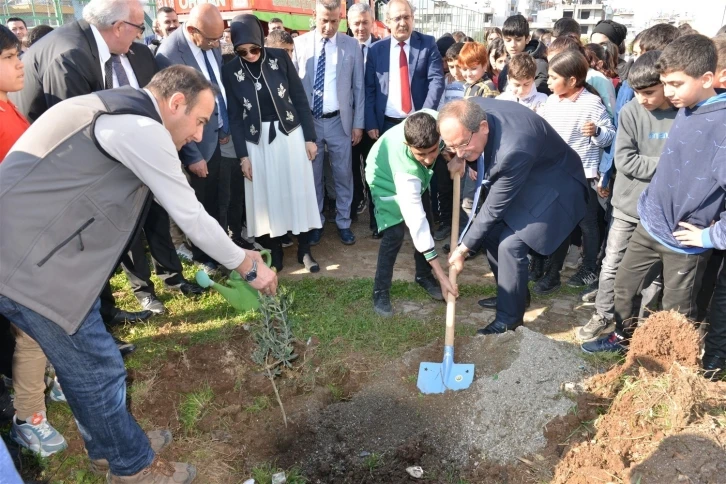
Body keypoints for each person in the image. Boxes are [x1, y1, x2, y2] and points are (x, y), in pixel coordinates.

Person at [0, 65, 277, 483]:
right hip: (31, 265)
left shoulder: (114, 109)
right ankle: (132, 469)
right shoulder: (139, 128)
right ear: (176, 103)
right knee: (98, 367)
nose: (200, 135)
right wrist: (246, 263)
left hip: (41, 258)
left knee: (81, 367)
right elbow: (190, 215)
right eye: (200, 121)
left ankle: (111, 449)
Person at [10, 0, 160, 338]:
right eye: (138, 29)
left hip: (53, 166)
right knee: (76, 246)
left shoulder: (85, 44)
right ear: (119, 27)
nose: (139, 38)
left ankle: (103, 313)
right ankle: (92, 327)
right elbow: (78, 133)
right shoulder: (72, 54)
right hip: (47, 173)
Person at [583, 34, 726, 355]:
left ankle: (671, 366)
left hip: (685, 241)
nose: (669, 93)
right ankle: (624, 340)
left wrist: (710, 236)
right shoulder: (687, 106)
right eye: (665, 84)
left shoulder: (721, 124)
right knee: (623, 286)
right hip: (649, 224)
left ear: (707, 78)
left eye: (676, 84)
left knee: (677, 312)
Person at [442, 98, 588, 334]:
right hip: (527, 176)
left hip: (554, 185)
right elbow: (465, 145)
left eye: (463, 145)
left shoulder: (514, 147)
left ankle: (509, 319)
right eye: (452, 146)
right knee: (489, 234)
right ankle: (513, 295)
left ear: (483, 127)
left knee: (510, 245)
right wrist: (461, 157)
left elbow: (492, 209)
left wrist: (462, 249)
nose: (458, 152)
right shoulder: (467, 111)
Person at [0, 22, 69, 459]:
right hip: (14, 245)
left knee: (49, 322)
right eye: (9, 58)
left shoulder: (8, 108)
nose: (20, 62)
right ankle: (29, 417)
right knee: (30, 331)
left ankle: (58, 380)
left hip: (31, 235)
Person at [575, 50, 674, 344]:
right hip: (628, 206)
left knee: (655, 275)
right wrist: (670, 164)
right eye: (638, 92)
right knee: (612, 263)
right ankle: (604, 314)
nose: (643, 98)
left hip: (664, 211)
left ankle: (640, 325)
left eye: (650, 92)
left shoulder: (684, 113)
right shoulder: (631, 111)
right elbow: (627, 161)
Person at [223, 15, 321, 273]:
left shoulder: (279, 58)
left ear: (261, 40)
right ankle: (276, 251)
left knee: (297, 190)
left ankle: (304, 250)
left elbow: (300, 99)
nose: (250, 54)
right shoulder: (231, 70)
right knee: (268, 195)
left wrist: (310, 138)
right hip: (256, 141)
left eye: (254, 48)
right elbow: (234, 116)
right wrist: (243, 156)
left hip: (290, 134)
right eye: (242, 51)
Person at [156, 4, 232, 273]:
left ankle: (223, 251)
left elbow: (217, 87)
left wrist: (223, 127)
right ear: (191, 30)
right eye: (212, 39)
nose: (217, 44)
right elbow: (175, 116)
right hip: (195, 145)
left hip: (217, 137)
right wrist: (193, 156)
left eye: (219, 38)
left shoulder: (210, 43)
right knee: (200, 206)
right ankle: (205, 257)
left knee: (219, 200)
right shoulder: (168, 55)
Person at [533, 50, 615, 294]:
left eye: (553, 77)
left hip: (582, 176)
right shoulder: (550, 101)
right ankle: (552, 272)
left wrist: (597, 131)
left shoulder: (591, 102)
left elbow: (611, 134)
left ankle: (589, 267)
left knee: (587, 225)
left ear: (572, 81)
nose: (547, 82)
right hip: (555, 174)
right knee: (558, 223)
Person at [366, 111, 457, 316]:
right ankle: (380, 291)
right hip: (384, 177)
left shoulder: (437, 122)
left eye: (432, 151)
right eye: (420, 154)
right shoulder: (407, 174)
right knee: (395, 234)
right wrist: (443, 277)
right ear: (409, 146)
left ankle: (423, 276)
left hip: (414, 176)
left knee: (429, 219)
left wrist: (454, 156)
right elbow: (417, 225)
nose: (427, 159)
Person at [293, 0, 364, 247]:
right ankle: (316, 223)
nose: (329, 26)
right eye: (324, 20)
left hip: (339, 123)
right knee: (313, 176)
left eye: (334, 21)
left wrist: (358, 124)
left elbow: (359, 87)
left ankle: (344, 222)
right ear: (315, 16)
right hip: (310, 122)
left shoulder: (352, 46)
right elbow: (294, 90)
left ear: (341, 18)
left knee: (343, 174)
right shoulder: (299, 45)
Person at [365, 0, 444, 138]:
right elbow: (369, 89)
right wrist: (371, 122)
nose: (402, 23)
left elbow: (436, 80)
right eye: (397, 18)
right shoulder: (375, 50)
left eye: (406, 17)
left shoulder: (427, 44)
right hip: (385, 123)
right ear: (387, 21)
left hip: (418, 122)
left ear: (413, 18)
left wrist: (425, 115)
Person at [348, 2, 380, 238]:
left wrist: (370, 122)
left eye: (365, 22)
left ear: (372, 23)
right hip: (345, 123)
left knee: (373, 170)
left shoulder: (381, 49)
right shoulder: (343, 48)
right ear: (349, 25)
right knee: (348, 170)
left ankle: (376, 216)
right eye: (356, 23)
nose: (361, 27)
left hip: (372, 125)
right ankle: (353, 204)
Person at [498, 14, 549, 95]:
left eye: (518, 40)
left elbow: (540, 96)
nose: (513, 45)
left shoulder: (539, 65)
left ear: (527, 39)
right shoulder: (506, 65)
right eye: (508, 40)